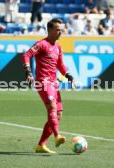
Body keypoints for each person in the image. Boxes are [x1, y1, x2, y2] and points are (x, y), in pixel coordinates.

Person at [21, 18, 75, 154]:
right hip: (43, 81)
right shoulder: (42, 44)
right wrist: (28, 72)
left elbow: (61, 65)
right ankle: (57, 136)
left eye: (61, 30)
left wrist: (69, 75)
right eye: (57, 30)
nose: (60, 32)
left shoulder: (58, 48)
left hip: (53, 83)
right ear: (50, 30)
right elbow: (26, 55)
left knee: (58, 114)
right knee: (51, 106)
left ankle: (41, 145)